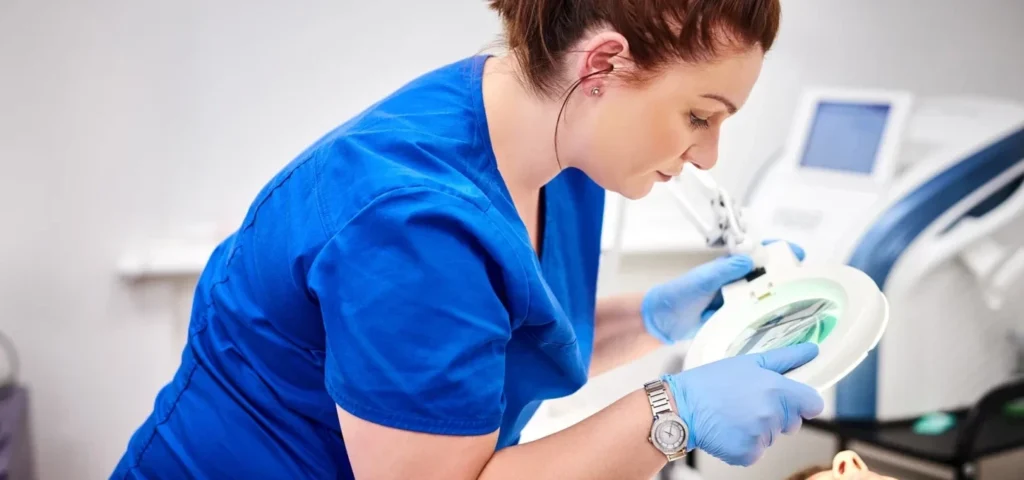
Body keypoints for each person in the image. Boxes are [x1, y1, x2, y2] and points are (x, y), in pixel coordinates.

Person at [113, 0, 826, 478]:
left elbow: (489, 340)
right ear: (602, 66)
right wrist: (672, 415)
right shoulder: (414, 224)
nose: (708, 157)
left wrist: (652, 320)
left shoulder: (554, 142)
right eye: (700, 116)